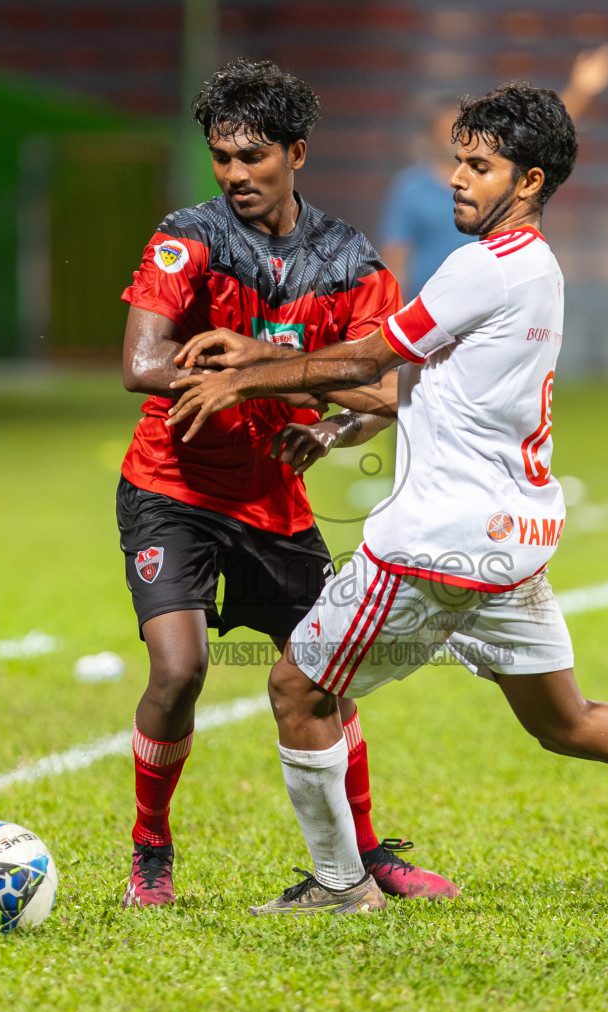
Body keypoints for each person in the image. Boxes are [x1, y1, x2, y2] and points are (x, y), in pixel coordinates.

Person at [167, 82, 608, 918]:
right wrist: (297, 385)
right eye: (458, 159)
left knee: (297, 690)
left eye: (479, 166)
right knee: (566, 719)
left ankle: (342, 887)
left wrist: (244, 376)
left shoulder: (484, 267)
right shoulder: (538, 268)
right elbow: (426, 390)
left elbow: (365, 363)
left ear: (527, 182)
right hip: (511, 536)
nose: (456, 177)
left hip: (435, 543)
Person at [113, 59, 457, 907]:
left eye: (253, 157)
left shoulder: (345, 259)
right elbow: (141, 362)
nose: (235, 175)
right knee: (180, 669)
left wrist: (323, 419)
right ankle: (150, 851)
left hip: (275, 502)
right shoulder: (187, 237)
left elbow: (383, 391)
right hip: (173, 486)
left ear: (296, 153)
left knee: (324, 676)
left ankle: (366, 854)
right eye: (222, 157)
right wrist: (302, 380)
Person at [378, 42, 608, 297]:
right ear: (431, 135)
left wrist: (580, 91)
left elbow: (542, 134)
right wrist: (394, 312)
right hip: (433, 307)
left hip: (494, 298)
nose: (459, 135)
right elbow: (396, 254)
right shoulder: (411, 188)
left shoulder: (496, 176)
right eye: (449, 128)